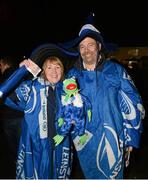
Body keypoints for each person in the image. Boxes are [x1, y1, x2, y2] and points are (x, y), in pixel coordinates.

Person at [65, 23, 145, 179]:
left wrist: (131, 138)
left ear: (99, 46)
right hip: (85, 140)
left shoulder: (116, 70)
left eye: (90, 45)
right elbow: (63, 105)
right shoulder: (72, 75)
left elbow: (134, 102)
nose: (86, 50)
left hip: (113, 137)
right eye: (82, 46)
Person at [0, 44, 77, 179]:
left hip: (60, 145)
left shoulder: (67, 90)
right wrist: (21, 71)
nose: (54, 71)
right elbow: (6, 94)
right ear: (43, 71)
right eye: (49, 67)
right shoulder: (32, 88)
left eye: (57, 67)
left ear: (62, 69)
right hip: (37, 147)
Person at [0, 56, 24, 178]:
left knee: (13, 147)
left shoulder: (4, 77)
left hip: (8, 119)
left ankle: (17, 170)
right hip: (20, 117)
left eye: (0, 64)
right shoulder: (19, 75)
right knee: (22, 146)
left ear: (4, 64)